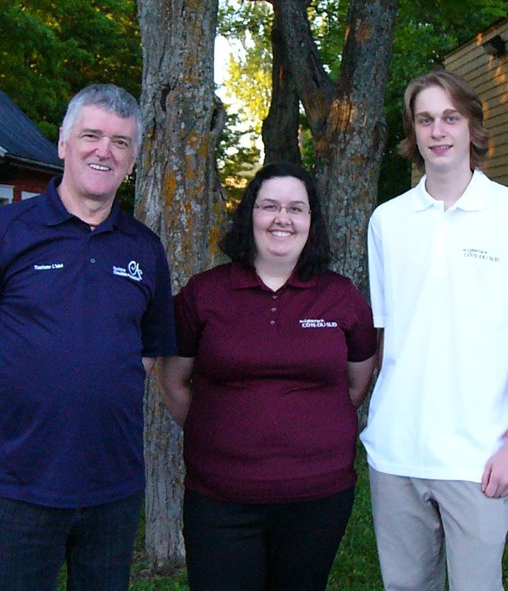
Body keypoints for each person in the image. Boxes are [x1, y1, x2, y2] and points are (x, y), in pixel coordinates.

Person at [157, 161, 377, 591]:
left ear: (311, 220)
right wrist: (217, 428)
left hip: (318, 498)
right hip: (219, 499)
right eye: (270, 206)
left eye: (296, 208)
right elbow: (172, 381)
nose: (282, 218)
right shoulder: (205, 292)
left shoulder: (341, 296)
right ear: (250, 215)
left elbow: (356, 384)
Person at [0, 84, 176, 590]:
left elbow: (148, 351)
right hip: (18, 484)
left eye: (120, 142)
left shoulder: (145, 248)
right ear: (63, 143)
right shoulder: (10, 230)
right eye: (91, 136)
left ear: (133, 159)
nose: (104, 151)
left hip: (112, 488)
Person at [361, 69, 508, 590]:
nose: (438, 131)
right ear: (413, 132)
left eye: (450, 117)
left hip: (478, 455)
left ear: (472, 125)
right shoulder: (387, 221)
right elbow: (384, 338)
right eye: (425, 120)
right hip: (396, 451)